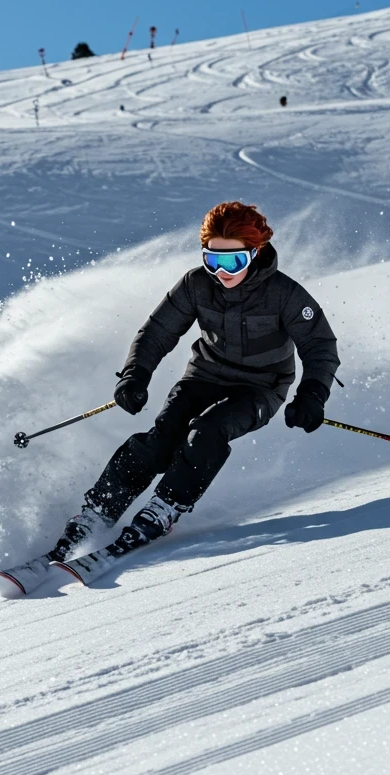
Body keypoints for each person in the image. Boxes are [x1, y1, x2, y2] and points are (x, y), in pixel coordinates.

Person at [51, 201, 340, 562]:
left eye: (233, 261)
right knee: (161, 438)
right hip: (205, 375)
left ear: (256, 252)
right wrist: (135, 374)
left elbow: (319, 345)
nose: (222, 271)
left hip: (260, 388)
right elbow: (157, 331)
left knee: (206, 432)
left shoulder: (285, 294)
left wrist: (312, 394)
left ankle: (165, 506)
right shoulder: (196, 284)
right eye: (212, 260)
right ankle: (97, 513)